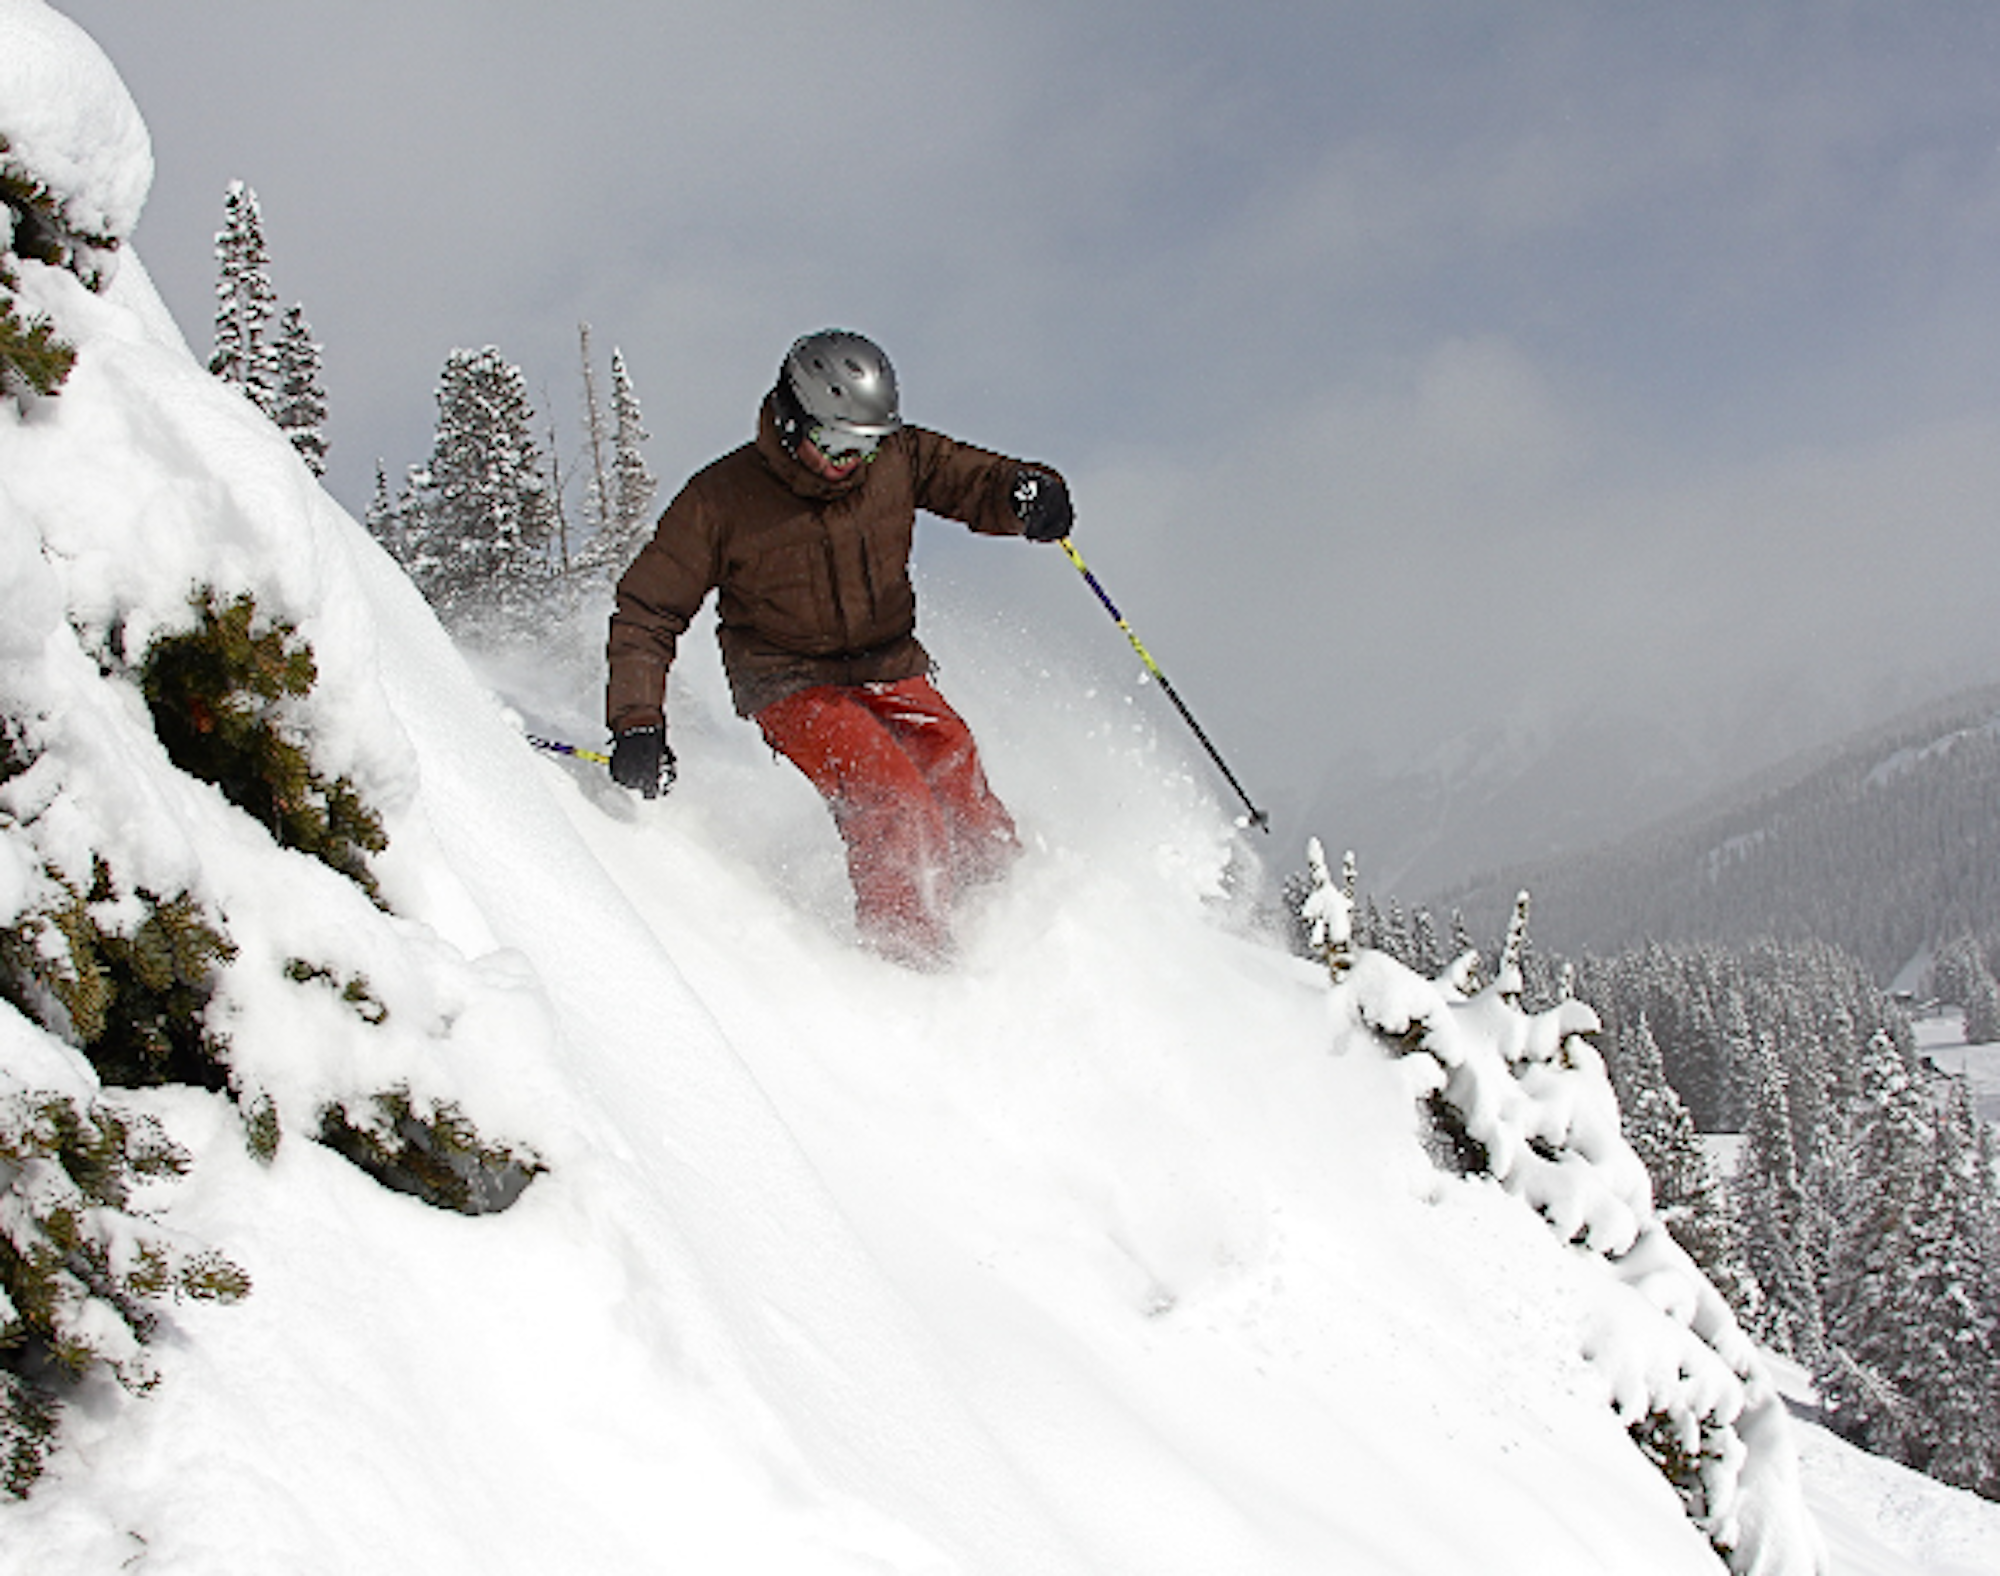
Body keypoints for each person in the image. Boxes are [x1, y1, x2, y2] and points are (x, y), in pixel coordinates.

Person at [604, 328, 1073, 966]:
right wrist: (638, 722)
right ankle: (908, 955)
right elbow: (646, 610)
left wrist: (1027, 494)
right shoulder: (719, 500)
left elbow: (978, 481)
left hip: (885, 661)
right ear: (794, 420)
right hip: (788, 679)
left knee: (953, 759)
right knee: (893, 794)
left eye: (865, 445)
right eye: (835, 442)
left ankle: (1011, 915)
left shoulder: (899, 460)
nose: (849, 461)